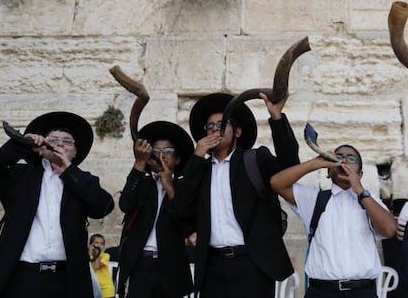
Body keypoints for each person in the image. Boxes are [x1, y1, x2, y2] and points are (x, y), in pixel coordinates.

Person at [173, 92, 300, 298]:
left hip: (252, 264)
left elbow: (290, 167)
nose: (215, 128)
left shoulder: (256, 159)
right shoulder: (199, 169)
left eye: (222, 123)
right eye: (210, 126)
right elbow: (181, 208)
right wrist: (197, 156)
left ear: (238, 131)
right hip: (212, 268)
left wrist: (277, 117)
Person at [0, 111, 115, 298]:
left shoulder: (83, 181)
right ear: (42, 147)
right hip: (22, 277)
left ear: (74, 152)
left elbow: (104, 206)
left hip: (66, 279)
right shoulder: (20, 177)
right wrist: (19, 145)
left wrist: (69, 172)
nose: (59, 144)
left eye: (67, 141)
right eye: (53, 139)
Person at [270, 144, 397, 298]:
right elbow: (277, 183)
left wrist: (360, 191)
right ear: (329, 171)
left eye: (351, 159)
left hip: (362, 292)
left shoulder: (369, 201)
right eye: (337, 158)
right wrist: (315, 163)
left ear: (360, 174)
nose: (343, 161)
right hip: (321, 292)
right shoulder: (315, 199)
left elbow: (390, 229)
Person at [117, 121, 195, 298]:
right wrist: (139, 163)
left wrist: (169, 187)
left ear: (177, 158)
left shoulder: (184, 187)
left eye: (168, 152)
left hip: (171, 268)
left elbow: (186, 222)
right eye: (157, 151)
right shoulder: (141, 182)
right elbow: (125, 204)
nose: (162, 156)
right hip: (140, 265)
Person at [89, 234, 116, 298]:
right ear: (90, 245)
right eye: (96, 243)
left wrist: (96, 253)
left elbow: (97, 266)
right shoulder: (88, 256)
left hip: (106, 291)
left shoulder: (105, 256)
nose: (99, 245)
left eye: (101, 243)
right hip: (94, 289)